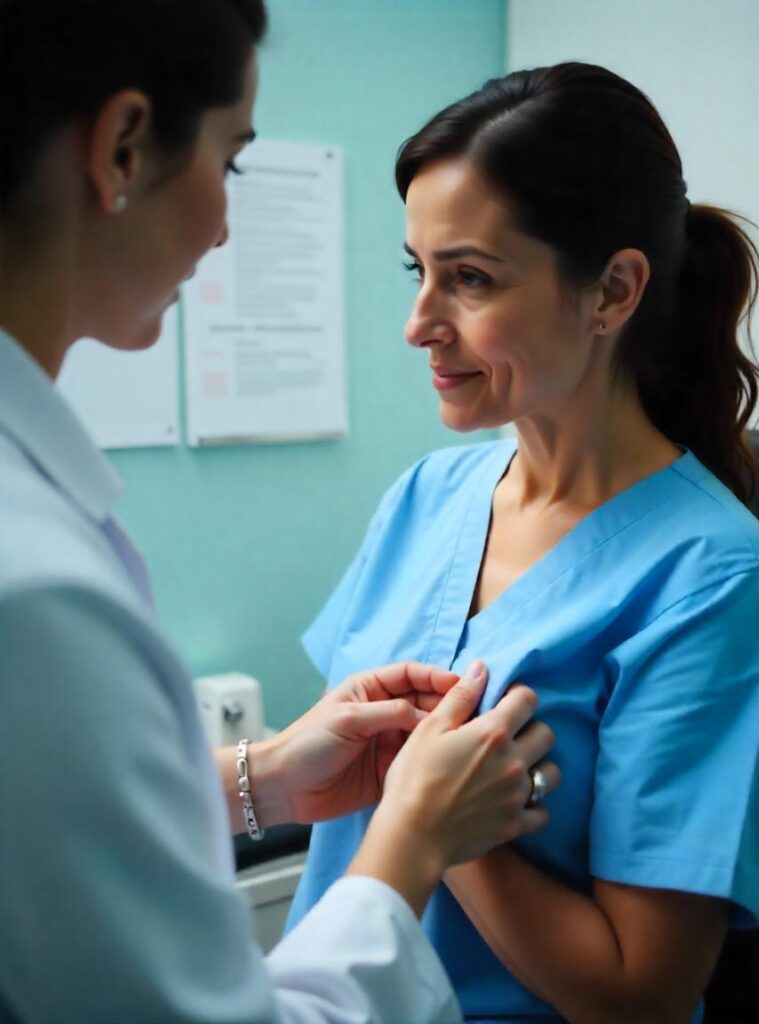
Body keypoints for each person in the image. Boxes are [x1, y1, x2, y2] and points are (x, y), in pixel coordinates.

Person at [0, 3, 560, 1022]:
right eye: (233, 160)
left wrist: (263, 778)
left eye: (469, 276)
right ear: (123, 145)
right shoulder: (32, 590)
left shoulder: (715, 573)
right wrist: (410, 839)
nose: (221, 224)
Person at [286, 63, 759, 1024]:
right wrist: (260, 779)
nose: (418, 325)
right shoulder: (425, 496)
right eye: (419, 270)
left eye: (469, 278)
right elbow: (336, 777)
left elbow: (643, 995)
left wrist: (448, 830)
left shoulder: (713, 584)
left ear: (612, 290)